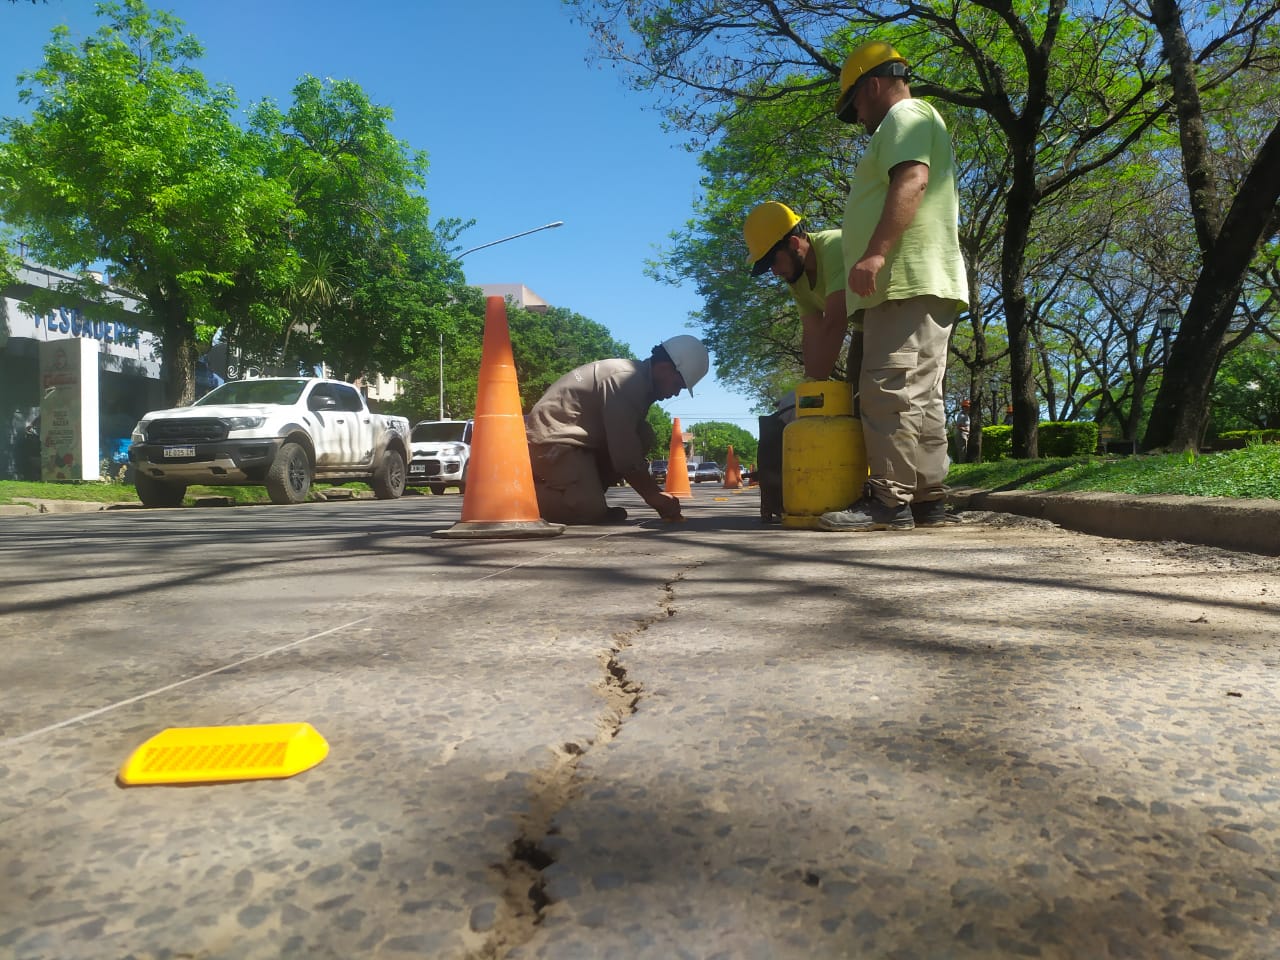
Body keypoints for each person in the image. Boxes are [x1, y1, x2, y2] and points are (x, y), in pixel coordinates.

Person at [818, 40, 969, 532]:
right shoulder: (917, 120)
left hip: (905, 277)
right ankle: (927, 499)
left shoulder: (905, 117)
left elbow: (912, 180)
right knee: (921, 395)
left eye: (855, 102)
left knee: (889, 388)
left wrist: (876, 251)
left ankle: (888, 501)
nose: (857, 115)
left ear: (874, 85)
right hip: (922, 280)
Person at [525, 335, 710, 525]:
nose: (676, 392)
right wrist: (654, 496)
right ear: (664, 368)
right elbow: (624, 451)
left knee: (643, 434)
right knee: (587, 511)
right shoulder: (627, 381)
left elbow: (626, 441)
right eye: (677, 385)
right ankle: (514, 495)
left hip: (580, 442)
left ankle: (585, 495)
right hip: (553, 441)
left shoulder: (639, 381)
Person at [743, 201, 862, 383]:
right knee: (854, 394)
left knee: (881, 393)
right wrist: (807, 387)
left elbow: (835, 322)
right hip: (866, 326)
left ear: (793, 243)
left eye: (773, 261)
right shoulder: (796, 277)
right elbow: (812, 332)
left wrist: (812, 387)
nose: (774, 272)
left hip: (898, 310)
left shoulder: (835, 245)